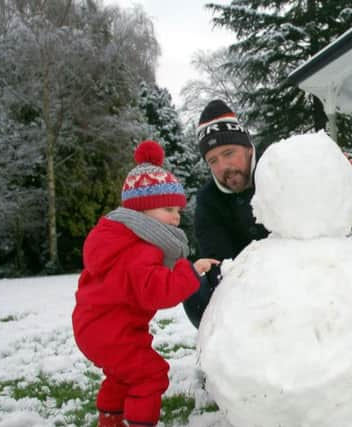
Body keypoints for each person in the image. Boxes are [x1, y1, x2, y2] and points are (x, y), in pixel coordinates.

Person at [72, 140, 219, 427]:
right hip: (113, 331)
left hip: (97, 327)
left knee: (122, 374)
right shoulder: (140, 248)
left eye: (178, 210)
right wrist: (191, 271)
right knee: (150, 374)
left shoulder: (121, 239)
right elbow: (156, 291)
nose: (176, 217)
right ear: (142, 210)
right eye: (168, 209)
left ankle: (110, 420)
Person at [183, 100, 269, 328]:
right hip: (244, 287)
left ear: (249, 148)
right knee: (193, 286)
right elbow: (218, 261)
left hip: (296, 272)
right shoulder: (208, 200)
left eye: (229, 153)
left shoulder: (276, 171)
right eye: (213, 161)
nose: (222, 167)